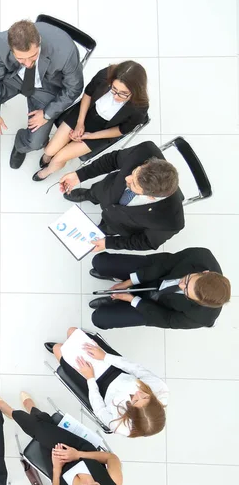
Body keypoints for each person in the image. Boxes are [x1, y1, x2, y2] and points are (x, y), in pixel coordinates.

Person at [0, 392, 123, 485]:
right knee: (40, 430)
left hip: (57, 468)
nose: (89, 480)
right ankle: (12, 412)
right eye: (96, 484)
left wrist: (56, 469)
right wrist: (78, 454)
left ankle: (31, 411)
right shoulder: (114, 484)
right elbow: (111, 458)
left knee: (42, 427)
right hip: (80, 450)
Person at [0, 19, 83, 170]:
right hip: (14, 78)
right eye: (21, 59)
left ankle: (20, 146)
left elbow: (74, 88)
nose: (28, 63)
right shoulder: (2, 41)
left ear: (39, 41)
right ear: (11, 49)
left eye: (33, 56)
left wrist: (46, 114)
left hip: (46, 86)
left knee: (35, 142)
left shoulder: (66, 52)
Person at [33, 61, 149, 181]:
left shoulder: (140, 107)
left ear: (135, 91)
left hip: (104, 129)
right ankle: (48, 156)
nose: (115, 96)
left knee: (59, 158)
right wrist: (79, 123)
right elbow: (88, 93)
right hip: (86, 111)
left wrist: (90, 136)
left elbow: (122, 129)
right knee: (50, 150)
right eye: (114, 89)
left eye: (123, 94)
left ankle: (47, 171)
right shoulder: (105, 75)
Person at [59, 141, 183, 252]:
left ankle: (104, 228)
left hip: (120, 223)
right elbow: (112, 160)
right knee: (95, 192)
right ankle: (88, 195)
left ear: (151, 197)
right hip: (108, 189)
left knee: (107, 228)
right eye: (135, 172)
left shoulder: (171, 221)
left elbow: (145, 242)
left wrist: (109, 243)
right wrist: (80, 175)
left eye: (133, 184)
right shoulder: (145, 151)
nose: (126, 178)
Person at [45, 327, 169, 437]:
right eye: (145, 395)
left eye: (135, 401)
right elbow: (135, 368)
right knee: (71, 331)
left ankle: (62, 352)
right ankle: (69, 349)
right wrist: (105, 357)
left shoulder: (120, 426)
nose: (137, 394)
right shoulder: (159, 389)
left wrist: (90, 378)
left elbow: (99, 410)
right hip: (117, 371)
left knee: (58, 349)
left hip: (99, 388)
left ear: (131, 413)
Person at [88, 247, 231, 330]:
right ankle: (117, 279)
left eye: (186, 292)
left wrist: (133, 300)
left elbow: (166, 319)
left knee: (99, 319)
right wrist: (128, 282)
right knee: (99, 262)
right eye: (187, 280)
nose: (181, 285)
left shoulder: (202, 318)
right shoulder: (202, 256)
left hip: (157, 307)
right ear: (205, 273)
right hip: (157, 272)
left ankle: (121, 301)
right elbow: (165, 265)